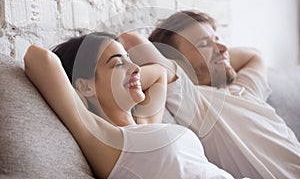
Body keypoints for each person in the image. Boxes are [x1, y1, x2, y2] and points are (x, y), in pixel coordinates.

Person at [24, 32, 235, 178]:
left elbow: (159, 73)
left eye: (129, 59)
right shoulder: (104, 140)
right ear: (85, 87)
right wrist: (77, 96)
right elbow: (38, 57)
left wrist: (126, 76)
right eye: (118, 62)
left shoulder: (145, 121)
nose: (135, 67)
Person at [146, 10, 300, 178]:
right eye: (204, 44)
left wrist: (219, 58)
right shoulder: (196, 103)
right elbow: (134, 44)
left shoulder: (244, 90)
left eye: (217, 39)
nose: (224, 48)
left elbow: (254, 56)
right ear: (177, 63)